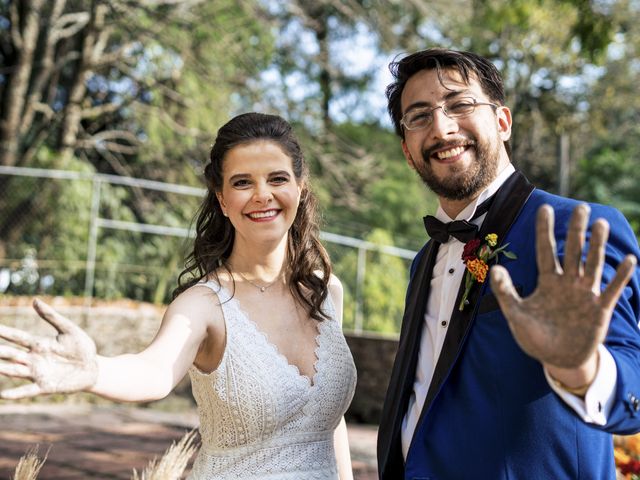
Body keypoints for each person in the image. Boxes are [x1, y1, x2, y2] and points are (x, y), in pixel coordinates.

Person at [0, 112, 357, 480]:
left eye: (277, 178)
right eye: (242, 182)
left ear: (300, 186)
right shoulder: (204, 305)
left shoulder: (325, 290)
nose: (262, 194)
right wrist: (94, 371)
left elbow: (330, 421)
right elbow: (153, 370)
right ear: (222, 199)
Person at [376, 48, 640, 479]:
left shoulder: (577, 227)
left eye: (460, 104)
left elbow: (634, 381)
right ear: (407, 151)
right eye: (419, 116)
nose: (441, 128)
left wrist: (584, 369)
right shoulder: (423, 260)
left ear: (502, 122)